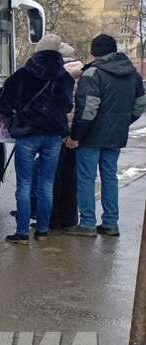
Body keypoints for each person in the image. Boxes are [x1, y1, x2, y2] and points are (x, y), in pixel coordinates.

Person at [0, 33, 75, 244]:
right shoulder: (64, 77)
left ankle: (21, 233)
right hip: (54, 136)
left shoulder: (22, 75)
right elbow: (67, 106)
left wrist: (14, 113)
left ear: (38, 50)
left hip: (27, 134)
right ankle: (42, 230)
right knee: (46, 184)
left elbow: (2, 103)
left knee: (24, 184)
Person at [63, 34, 146, 237]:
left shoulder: (92, 74)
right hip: (115, 136)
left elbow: (88, 109)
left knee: (86, 179)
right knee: (109, 178)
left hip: (90, 136)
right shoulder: (132, 74)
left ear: (94, 52)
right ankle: (110, 223)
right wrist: (123, 122)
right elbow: (141, 103)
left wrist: (75, 136)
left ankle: (88, 224)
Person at [48, 50, 84, 229]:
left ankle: (53, 218)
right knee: (72, 178)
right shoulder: (84, 75)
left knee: (53, 178)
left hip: (58, 132)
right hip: (76, 135)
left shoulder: (58, 76)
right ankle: (70, 218)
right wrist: (76, 134)